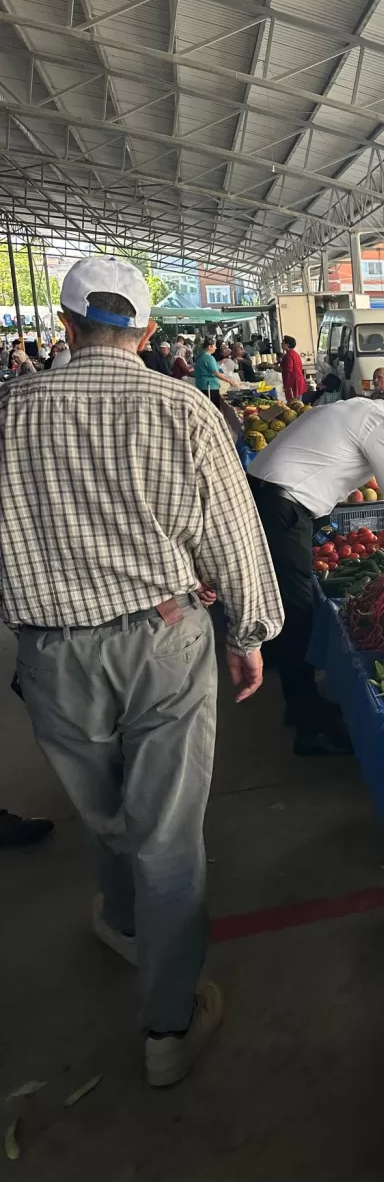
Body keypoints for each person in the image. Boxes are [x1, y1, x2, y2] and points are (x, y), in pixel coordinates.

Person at [0, 255, 282, 1085]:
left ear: (65, 326)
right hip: (162, 637)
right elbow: (232, 534)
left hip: (51, 649)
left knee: (102, 805)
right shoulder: (181, 406)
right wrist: (249, 632)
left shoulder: (9, 411)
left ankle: (122, 921)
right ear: (148, 331)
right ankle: (167, 1028)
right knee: (166, 831)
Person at [248, 396, 384, 755]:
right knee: (299, 611)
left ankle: (301, 702)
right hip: (281, 505)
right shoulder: (383, 425)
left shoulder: (357, 407)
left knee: (285, 600)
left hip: (265, 495)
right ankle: (308, 727)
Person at [194, 337, 228, 408]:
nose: (216, 348)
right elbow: (216, 373)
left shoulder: (199, 355)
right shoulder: (208, 357)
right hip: (209, 388)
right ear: (209, 347)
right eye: (214, 346)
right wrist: (230, 381)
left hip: (201, 386)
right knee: (213, 409)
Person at [280, 335, 307, 402]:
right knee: (298, 403)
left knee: (294, 404)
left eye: (283, 342)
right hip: (298, 382)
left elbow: (288, 369)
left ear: (287, 344)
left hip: (294, 384)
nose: (281, 344)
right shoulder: (295, 354)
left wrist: (275, 368)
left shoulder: (288, 355)